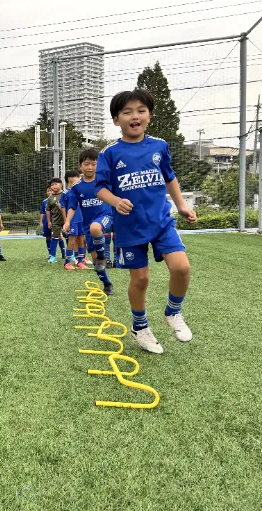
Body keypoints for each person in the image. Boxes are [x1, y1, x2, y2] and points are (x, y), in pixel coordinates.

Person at [95, 88, 196, 354]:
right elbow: (100, 188)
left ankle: (173, 313)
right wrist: (115, 201)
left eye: (141, 110)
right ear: (117, 120)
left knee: (182, 268)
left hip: (161, 221)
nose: (134, 116)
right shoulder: (110, 153)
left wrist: (182, 206)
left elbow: (169, 177)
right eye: (127, 112)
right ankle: (140, 327)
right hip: (130, 226)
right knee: (140, 279)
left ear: (149, 115)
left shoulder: (159, 146)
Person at [64, 149, 114, 296]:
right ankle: (107, 283)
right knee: (95, 262)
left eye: (93, 164)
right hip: (88, 225)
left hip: (105, 216)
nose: (90, 167)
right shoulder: (77, 187)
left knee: (96, 227)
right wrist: (67, 221)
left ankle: (103, 256)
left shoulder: (104, 181)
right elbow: (72, 206)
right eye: (87, 164)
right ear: (80, 166)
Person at [60, 170, 88, 271]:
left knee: (81, 239)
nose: (79, 179)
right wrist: (65, 221)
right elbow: (63, 207)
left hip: (81, 219)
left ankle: (80, 261)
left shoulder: (78, 190)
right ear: (70, 179)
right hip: (72, 220)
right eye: (77, 177)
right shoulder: (65, 193)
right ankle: (67, 263)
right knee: (72, 241)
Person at [44, 178, 66, 264]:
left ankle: (70, 255)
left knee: (68, 237)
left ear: (61, 184)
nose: (53, 187)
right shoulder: (50, 198)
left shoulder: (66, 195)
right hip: (55, 221)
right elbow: (48, 210)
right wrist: (49, 221)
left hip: (66, 221)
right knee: (54, 238)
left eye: (55, 184)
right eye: (52, 185)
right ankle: (53, 256)